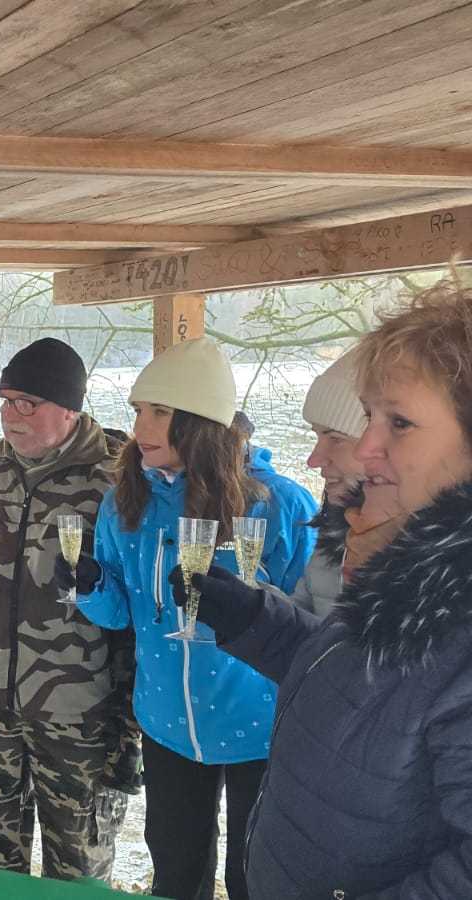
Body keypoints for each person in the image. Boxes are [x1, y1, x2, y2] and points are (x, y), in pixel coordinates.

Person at [182, 283, 472, 899]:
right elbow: (360, 687)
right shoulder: (406, 564)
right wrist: (254, 618)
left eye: (398, 423)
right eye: (368, 417)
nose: (365, 447)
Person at [54, 336, 317, 900]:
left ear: (201, 422)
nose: (141, 426)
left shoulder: (279, 503)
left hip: (260, 724)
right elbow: (121, 614)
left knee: (255, 878)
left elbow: (313, 621)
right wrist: (90, 586)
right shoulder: (123, 501)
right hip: (167, 719)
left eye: (160, 411)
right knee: (176, 874)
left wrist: (251, 601)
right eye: (138, 411)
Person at [0, 338, 139, 880]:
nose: (11, 415)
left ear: (70, 408)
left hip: (79, 710)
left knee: (77, 873)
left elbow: (145, 593)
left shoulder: (119, 478)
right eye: (5, 401)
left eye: (27, 404)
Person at [269, 347, 406, 618]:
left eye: (336, 439)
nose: (313, 459)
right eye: (317, 437)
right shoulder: (337, 525)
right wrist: (251, 605)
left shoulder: (430, 548)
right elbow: (306, 623)